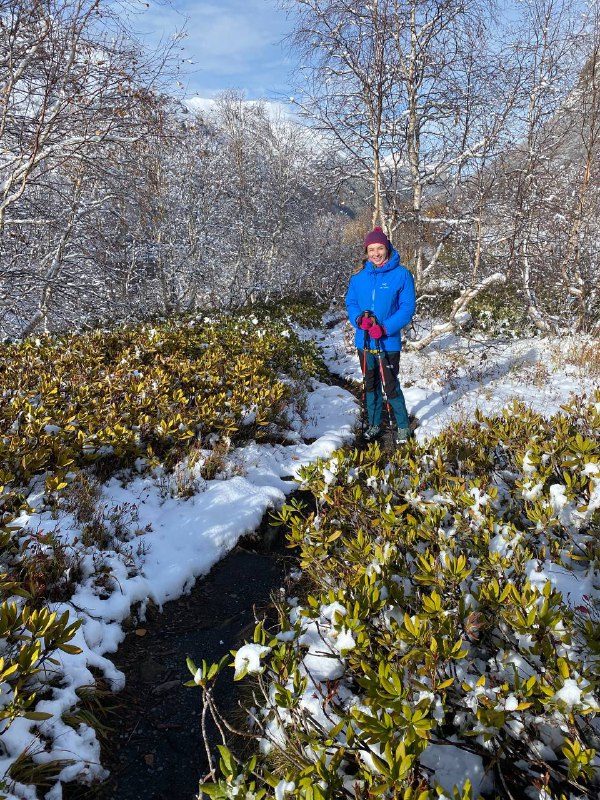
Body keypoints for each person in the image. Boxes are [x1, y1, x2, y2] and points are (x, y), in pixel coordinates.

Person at [345, 226, 416, 445]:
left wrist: (385, 328)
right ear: (366, 252)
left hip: (389, 342)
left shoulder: (402, 275)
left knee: (391, 385)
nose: (376, 253)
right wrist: (359, 320)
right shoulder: (358, 278)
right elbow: (351, 302)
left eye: (380, 248)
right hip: (364, 342)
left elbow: (407, 307)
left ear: (387, 248)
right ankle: (375, 424)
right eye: (371, 249)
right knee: (370, 385)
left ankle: (403, 426)